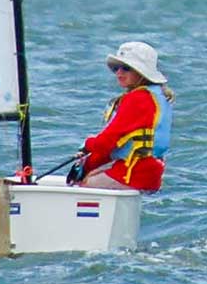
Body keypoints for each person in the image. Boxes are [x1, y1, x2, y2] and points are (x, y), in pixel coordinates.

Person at [71, 40, 172, 193]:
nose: (119, 73)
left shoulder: (138, 99)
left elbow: (105, 143)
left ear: (141, 72)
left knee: (85, 185)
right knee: (90, 175)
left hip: (133, 172)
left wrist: (87, 145)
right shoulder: (157, 95)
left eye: (126, 68)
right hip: (150, 173)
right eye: (116, 68)